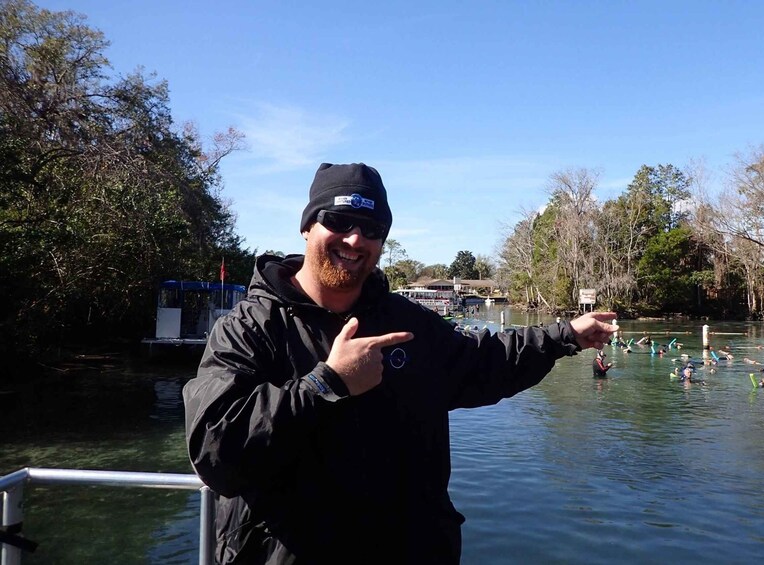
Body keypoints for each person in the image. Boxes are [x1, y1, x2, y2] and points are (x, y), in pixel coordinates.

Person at [182, 162, 618, 564]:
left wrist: (567, 336)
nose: (355, 239)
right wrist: (326, 383)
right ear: (307, 228)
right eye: (338, 221)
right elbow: (216, 452)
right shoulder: (249, 327)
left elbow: (486, 362)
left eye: (371, 228)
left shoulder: (409, 324)